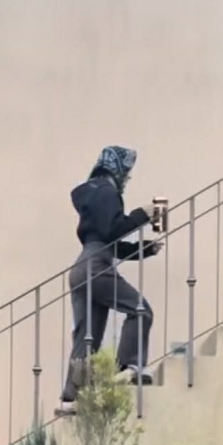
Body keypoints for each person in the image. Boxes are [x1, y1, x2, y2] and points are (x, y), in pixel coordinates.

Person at [57, 146, 160, 415]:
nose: (127, 178)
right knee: (140, 310)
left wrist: (145, 249)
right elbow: (114, 230)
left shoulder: (92, 193)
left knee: (86, 336)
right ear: (118, 169)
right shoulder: (107, 192)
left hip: (82, 265)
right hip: (96, 265)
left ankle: (71, 398)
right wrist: (143, 214)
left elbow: (107, 241)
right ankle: (129, 366)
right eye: (127, 172)